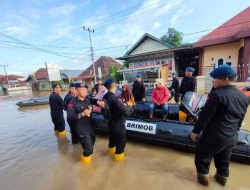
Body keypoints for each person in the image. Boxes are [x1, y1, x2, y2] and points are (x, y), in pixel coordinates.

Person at [191, 64, 249, 186]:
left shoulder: (217, 95)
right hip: (231, 137)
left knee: (202, 161)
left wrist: (195, 131)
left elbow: (205, 116)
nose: (213, 80)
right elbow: (240, 118)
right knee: (223, 164)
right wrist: (235, 131)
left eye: (215, 78)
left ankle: (203, 185)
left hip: (213, 137)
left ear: (225, 79)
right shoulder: (244, 97)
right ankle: (221, 182)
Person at [67, 83, 104, 164]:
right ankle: (85, 165)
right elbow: (69, 118)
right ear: (76, 91)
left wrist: (97, 102)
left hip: (90, 126)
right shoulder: (72, 103)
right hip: (81, 129)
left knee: (93, 141)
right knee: (88, 149)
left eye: (86, 90)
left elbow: (92, 100)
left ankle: (88, 156)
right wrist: (82, 114)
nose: (85, 91)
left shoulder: (87, 98)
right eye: (83, 90)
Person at [103, 78, 133, 161]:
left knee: (112, 141)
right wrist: (130, 106)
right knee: (121, 144)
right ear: (113, 85)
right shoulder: (115, 99)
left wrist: (122, 104)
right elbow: (127, 113)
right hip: (119, 125)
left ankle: (110, 153)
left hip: (110, 123)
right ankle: (118, 163)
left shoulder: (105, 96)